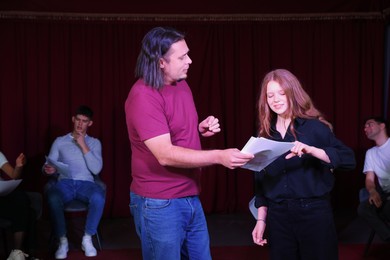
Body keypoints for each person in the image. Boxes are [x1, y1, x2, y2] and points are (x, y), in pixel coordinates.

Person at [125, 26, 254, 260]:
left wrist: (196, 130)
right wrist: (219, 156)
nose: (190, 61)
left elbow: (167, 132)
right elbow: (164, 154)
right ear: (160, 61)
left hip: (190, 195)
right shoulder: (143, 95)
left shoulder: (181, 84)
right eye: (182, 56)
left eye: (188, 54)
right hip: (159, 202)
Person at [251, 69, 356, 260]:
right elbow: (260, 182)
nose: (276, 99)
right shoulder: (265, 135)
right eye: (270, 95)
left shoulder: (315, 128)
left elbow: (349, 160)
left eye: (282, 93)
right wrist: (261, 220)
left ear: (293, 93)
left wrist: (312, 150)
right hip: (278, 216)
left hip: (314, 214)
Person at [43, 105, 105, 259]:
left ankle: (87, 238)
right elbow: (49, 163)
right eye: (78, 120)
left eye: (84, 121)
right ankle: (63, 240)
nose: (80, 124)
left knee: (99, 197)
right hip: (65, 183)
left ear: (89, 123)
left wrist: (83, 144)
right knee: (52, 197)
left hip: (86, 184)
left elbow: (96, 170)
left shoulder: (95, 143)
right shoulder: (60, 141)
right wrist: (48, 169)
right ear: (73, 119)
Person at [357, 116, 390, 241]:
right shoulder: (371, 153)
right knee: (363, 209)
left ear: (382, 126)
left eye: (369, 124)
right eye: (365, 126)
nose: (365, 128)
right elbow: (369, 180)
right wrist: (372, 191)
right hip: (384, 192)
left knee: (386, 210)